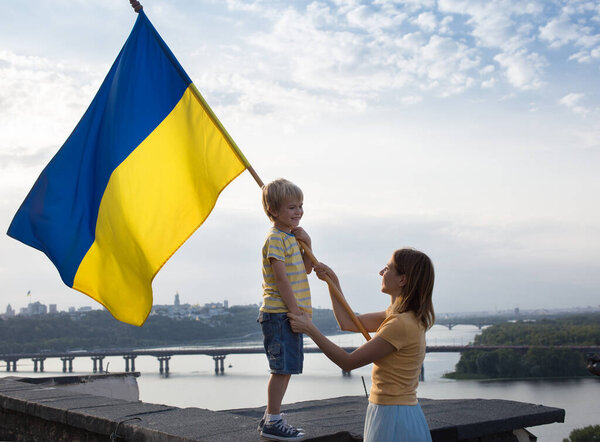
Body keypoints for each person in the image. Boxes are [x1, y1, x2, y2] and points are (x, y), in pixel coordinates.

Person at [288, 248, 435, 442]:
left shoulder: (400, 324)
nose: (381, 273)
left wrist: (310, 329)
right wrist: (333, 283)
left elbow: (348, 362)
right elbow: (347, 323)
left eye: (388, 268)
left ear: (402, 280)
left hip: (394, 414)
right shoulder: (397, 316)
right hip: (395, 410)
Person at [258, 178, 313, 441]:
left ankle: (271, 415)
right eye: (291, 207)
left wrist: (308, 245)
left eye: (300, 206)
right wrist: (295, 312)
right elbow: (281, 279)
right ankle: (273, 420)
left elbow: (304, 270)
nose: (298, 212)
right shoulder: (275, 239)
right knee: (281, 368)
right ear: (273, 211)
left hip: (288, 313)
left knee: (287, 366)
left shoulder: (290, 238)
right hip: (280, 313)